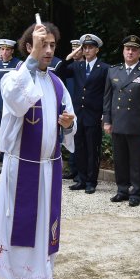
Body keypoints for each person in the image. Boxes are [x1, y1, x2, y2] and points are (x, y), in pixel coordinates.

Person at [0, 21, 76, 279]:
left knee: (46, 225)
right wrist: (30, 60)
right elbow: (15, 100)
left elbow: (69, 120)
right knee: (20, 222)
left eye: (52, 45)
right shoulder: (14, 77)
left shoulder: (58, 83)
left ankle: (43, 276)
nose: (48, 50)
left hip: (49, 167)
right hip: (22, 166)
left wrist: (68, 124)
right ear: (28, 47)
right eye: (42, 45)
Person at [103, 35, 140, 207]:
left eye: (134, 49)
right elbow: (107, 98)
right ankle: (122, 189)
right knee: (120, 160)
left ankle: (137, 191)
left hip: (136, 124)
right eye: (127, 49)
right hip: (118, 122)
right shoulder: (113, 71)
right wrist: (107, 120)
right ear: (123, 51)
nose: (130, 52)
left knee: (137, 161)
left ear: (139, 53)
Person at [58, 34, 109, 194]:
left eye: (90, 47)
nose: (87, 50)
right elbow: (60, 71)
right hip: (78, 114)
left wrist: (104, 114)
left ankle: (91, 181)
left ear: (97, 49)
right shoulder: (78, 66)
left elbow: (108, 93)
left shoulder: (105, 68)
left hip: (94, 114)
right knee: (79, 147)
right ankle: (81, 178)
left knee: (92, 149)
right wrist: (72, 55)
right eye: (84, 47)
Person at [0, 39, 21, 166]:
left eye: (7, 49)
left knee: (11, 132)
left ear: (12, 51)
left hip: (12, 105)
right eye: (2, 49)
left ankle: (11, 159)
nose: (4, 52)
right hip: (0, 103)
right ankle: (3, 154)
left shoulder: (18, 65)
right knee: (1, 130)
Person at [62, 38, 81, 180]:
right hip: (71, 107)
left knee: (81, 139)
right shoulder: (71, 67)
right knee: (71, 138)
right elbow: (62, 68)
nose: (75, 52)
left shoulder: (84, 67)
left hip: (82, 107)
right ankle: (73, 168)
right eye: (73, 49)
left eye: (78, 49)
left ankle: (79, 170)